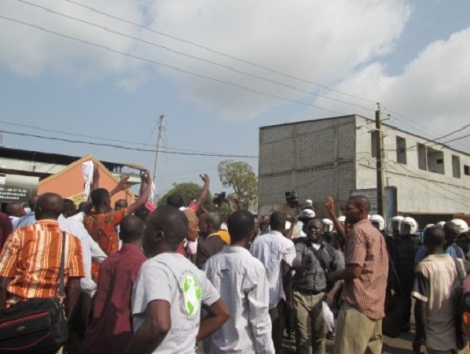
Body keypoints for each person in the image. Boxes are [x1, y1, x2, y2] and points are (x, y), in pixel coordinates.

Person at [126, 206, 229, 354]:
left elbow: (159, 325)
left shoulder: (154, 267)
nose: (142, 232)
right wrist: (188, 339)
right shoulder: (193, 270)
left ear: (158, 235)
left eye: (146, 227)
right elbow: (222, 313)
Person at [0, 193, 85, 321]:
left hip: (18, 311)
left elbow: (3, 281)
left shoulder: (19, 235)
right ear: (61, 212)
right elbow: (74, 287)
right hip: (51, 317)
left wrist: (3, 316)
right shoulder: (72, 241)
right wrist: (67, 321)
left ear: (38, 209)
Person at [204, 210, 275, 353]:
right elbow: (260, 319)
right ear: (250, 234)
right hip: (244, 348)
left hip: (216, 347)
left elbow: (205, 312)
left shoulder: (210, 264)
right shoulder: (254, 267)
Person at [327, 196, 389, 354]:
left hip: (357, 305)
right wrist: (333, 216)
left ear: (361, 211)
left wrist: (334, 276)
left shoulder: (359, 232)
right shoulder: (373, 232)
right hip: (375, 304)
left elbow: (354, 271)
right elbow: (350, 241)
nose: (345, 212)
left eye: (348, 209)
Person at [81, 215, 147, 354]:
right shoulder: (143, 264)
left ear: (120, 235)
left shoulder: (109, 261)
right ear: (144, 234)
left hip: (99, 331)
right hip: (124, 333)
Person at [85, 169, 152, 280]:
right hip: (107, 270)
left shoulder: (87, 219)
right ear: (107, 202)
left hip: (89, 270)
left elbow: (95, 199)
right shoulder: (111, 218)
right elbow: (140, 202)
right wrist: (149, 182)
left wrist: (97, 180)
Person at [290, 218, 344, 354]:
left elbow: (339, 276)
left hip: (320, 297)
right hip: (300, 295)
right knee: (302, 335)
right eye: (310, 228)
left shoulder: (331, 252)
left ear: (323, 231)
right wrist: (299, 267)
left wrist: (331, 294)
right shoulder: (301, 245)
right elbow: (295, 259)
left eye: (316, 228)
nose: (312, 230)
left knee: (319, 336)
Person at [412, 226, 467, 354]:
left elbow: (420, 306)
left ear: (424, 243)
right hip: (460, 335)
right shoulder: (459, 263)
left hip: (437, 338)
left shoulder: (424, 266)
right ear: (444, 242)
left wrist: (418, 338)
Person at [250, 211, 296, 353]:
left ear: (270, 224)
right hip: (276, 298)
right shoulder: (287, 244)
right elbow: (287, 273)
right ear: (284, 225)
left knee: (256, 336)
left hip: (256, 296)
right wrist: (288, 299)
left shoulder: (257, 241)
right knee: (275, 338)